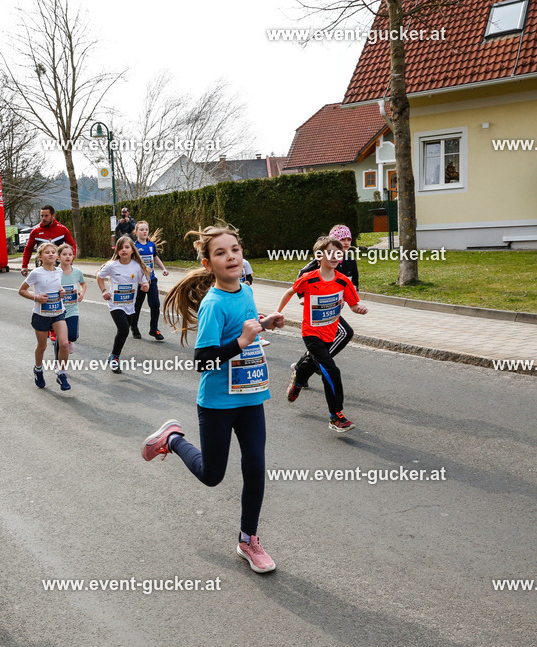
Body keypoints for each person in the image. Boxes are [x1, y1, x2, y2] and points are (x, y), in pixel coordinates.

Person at [142, 225, 286, 573]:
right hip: (218, 404)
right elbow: (202, 361)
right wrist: (241, 340)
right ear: (208, 264)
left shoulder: (246, 291)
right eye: (220, 253)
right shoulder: (212, 304)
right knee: (212, 475)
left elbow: (246, 329)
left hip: (250, 396)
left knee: (255, 468)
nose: (231, 256)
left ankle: (248, 540)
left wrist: (265, 323)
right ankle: (173, 439)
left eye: (234, 249)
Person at [278, 236, 368, 432]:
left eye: (338, 253)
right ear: (319, 256)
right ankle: (336, 416)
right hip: (311, 333)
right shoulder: (309, 279)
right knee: (331, 370)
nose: (335, 256)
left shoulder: (343, 281)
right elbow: (289, 292)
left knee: (312, 362)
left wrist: (358, 308)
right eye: (330, 252)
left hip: (330, 333)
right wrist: (278, 312)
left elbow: (353, 304)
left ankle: (298, 381)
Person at [290, 224, 359, 385]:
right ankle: (318, 364)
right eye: (342, 239)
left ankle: (300, 369)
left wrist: (353, 301)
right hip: (317, 312)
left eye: (349, 239)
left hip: (333, 310)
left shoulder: (350, 261)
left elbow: (354, 283)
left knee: (320, 346)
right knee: (345, 333)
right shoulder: (321, 261)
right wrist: (302, 297)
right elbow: (301, 276)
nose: (347, 242)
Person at [19, 243, 71, 391]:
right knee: (42, 346)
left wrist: (61, 291)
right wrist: (36, 298)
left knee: (64, 343)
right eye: (47, 252)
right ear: (40, 257)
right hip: (41, 314)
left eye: (53, 252)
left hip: (58, 312)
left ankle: (62, 373)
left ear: (56, 256)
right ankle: (38, 369)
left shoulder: (59, 271)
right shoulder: (36, 272)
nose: (50, 254)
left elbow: (57, 286)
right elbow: (21, 291)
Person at [96, 235, 150, 373]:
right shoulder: (112, 265)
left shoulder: (137, 266)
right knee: (124, 330)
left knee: (123, 332)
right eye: (121, 248)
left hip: (130, 305)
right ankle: (115, 357)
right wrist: (103, 291)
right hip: (115, 304)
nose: (123, 250)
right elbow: (99, 276)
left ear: (132, 249)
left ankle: (113, 353)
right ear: (117, 251)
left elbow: (143, 281)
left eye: (127, 247)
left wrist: (145, 286)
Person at [129, 221, 168, 341]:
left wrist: (163, 268)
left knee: (155, 304)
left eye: (146, 229)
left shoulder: (151, 245)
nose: (144, 231)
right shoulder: (134, 246)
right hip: (139, 282)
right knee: (137, 306)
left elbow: (155, 257)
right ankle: (134, 327)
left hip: (151, 279)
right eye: (141, 230)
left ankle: (154, 329)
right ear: (136, 232)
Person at [21, 205, 76, 277]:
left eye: (46, 216)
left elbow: (72, 246)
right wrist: (24, 266)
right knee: (42, 285)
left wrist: (70, 260)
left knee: (58, 285)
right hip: (41, 263)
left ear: (53, 215)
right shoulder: (35, 231)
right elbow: (28, 249)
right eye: (42, 216)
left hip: (58, 263)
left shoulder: (62, 229)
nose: (43, 218)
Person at [55, 244, 86, 359]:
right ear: (58, 257)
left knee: (72, 335)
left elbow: (83, 283)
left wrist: (82, 293)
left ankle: (70, 341)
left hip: (73, 309)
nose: (68, 257)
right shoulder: (55, 272)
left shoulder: (77, 272)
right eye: (64, 254)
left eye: (70, 254)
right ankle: (57, 361)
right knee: (61, 338)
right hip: (58, 311)